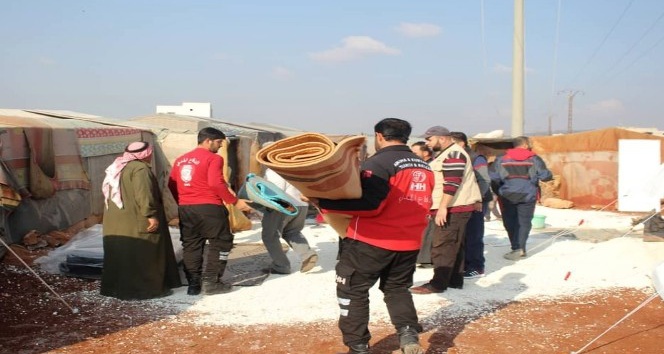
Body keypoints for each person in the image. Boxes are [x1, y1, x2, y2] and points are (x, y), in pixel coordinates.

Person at [313, 118, 434, 354]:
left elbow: (370, 206)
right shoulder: (423, 165)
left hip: (372, 241)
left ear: (379, 136)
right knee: (397, 289)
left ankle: (357, 346)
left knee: (352, 289)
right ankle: (408, 335)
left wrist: (325, 203)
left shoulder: (379, 163)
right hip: (409, 242)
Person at [168, 127, 253, 295]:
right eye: (219, 142)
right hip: (210, 208)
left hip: (186, 209)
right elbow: (216, 183)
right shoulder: (214, 159)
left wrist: (183, 201)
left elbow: (171, 183)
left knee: (191, 245)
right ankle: (211, 282)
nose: (220, 146)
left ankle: (193, 285)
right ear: (208, 140)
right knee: (221, 243)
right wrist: (234, 202)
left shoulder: (181, 160)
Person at [100, 141, 182, 300]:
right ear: (145, 154)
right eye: (149, 152)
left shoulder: (118, 166)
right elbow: (143, 194)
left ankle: (117, 289)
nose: (151, 155)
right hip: (137, 218)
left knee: (122, 254)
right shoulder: (140, 169)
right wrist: (150, 215)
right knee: (146, 253)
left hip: (118, 219)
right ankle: (147, 290)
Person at [411, 126, 481, 295]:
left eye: (430, 139)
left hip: (452, 207)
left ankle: (438, 283)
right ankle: (454, 280)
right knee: (453, 244)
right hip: (453, 207)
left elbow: (452, 182)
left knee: (442, 245)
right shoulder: (447, 153)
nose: (427, 143)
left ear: (441, 138)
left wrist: (443, 207)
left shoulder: (453, 154)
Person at [491, 136, 552, 260]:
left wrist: (500, 190)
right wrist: (549, 174)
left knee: (510, 221)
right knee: (524, 222)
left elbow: (493, 177)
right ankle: (521, 248)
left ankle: (516, 247)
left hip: (507, 195)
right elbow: (545, 176)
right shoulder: (534, 159)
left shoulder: (501, 159)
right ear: (524, 145)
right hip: (528, 195)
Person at [450, 132, 492, 279]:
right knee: (461, 235)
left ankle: (476, 267)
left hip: (476, 202)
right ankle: (462, 264)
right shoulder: (452, 157)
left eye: (451, 142)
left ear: (461, 143)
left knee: (473, 235)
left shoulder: (476, 158)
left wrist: (477, 199)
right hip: (460, 201)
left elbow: (484, 181)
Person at [261, 167, 318, 274]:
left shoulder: (275, 170)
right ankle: (307, 254)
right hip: (302, 205)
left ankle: (281, 266)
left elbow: (275, 191)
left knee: (270, 235)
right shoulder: (295, 168)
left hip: (284, 205)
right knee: (292, 232)